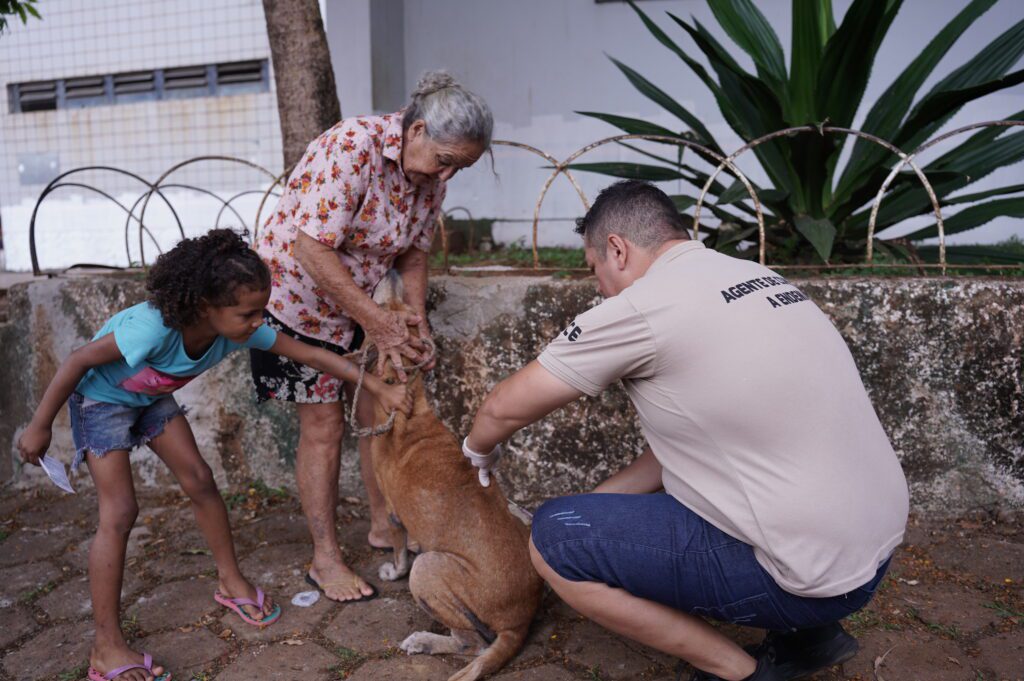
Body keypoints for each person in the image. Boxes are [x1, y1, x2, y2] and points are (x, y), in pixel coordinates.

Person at [462, 181, 909, 681]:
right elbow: (684, 448)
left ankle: (741, 673)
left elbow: (502, 409)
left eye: (594, 270)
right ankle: (811, 636)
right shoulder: (754, 275)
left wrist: (477, 451)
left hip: (806, 579)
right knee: (591, 520)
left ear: (617, 249)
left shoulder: (643, 306)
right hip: (870, 556)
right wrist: (595, 510)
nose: (598, 288)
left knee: (555, 540)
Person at [17, 229, 410, 681]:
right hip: (101, 401)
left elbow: (313, 356)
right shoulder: (152, 329)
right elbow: (78, 360)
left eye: (261, 310)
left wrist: (376, 386)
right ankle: (105, 646)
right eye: (249, 313)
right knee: (120, 511)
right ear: (206, 306)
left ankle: (230, 580)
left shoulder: (236, 332)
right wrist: (40, 426)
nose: (259, 321)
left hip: (148, 398)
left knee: (200, 480)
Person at [251, 70, 493, 602]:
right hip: (296, 302)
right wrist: (380, 323)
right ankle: (325, 560)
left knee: (377, 411)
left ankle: (383, 526)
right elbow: (310, 250)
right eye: (446, 160)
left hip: (358, 307)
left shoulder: (431, 173)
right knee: (324, 426)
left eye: (460, 167)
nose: (448, 174)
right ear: (417, 130)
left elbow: (414, 253)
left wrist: (415, 320)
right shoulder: (351, 147)